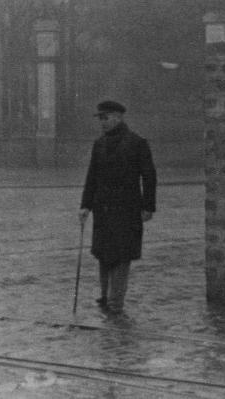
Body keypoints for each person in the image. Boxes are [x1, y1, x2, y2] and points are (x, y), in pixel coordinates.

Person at [79, 100, 156, 314]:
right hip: (102, 209)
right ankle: (105, 296)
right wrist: (85, 205)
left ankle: (115, 303)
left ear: (118, 117)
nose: (102, 122)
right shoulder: (99, 144)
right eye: (100, 118)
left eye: (106, 118)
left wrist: (148, 206)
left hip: (127, 209)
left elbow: (149, 176)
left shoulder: (137, 143)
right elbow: (91, 176)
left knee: (122, 256)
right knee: (103, 254)